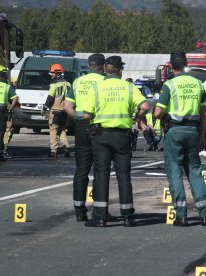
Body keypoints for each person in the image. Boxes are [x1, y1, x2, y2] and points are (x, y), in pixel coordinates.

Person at [82, 56, 150, 227]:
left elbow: (86, 115)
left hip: (101, 136)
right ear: (120, 71)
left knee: (101, 175)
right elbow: (145, 106)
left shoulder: (97, 88)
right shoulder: (128, 87)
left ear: (105, 69)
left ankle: (100, 216)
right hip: (122, 136)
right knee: (124, 175)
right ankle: (128, 216)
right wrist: (137, 117)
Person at [154, 50, 206, 227]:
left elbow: (157, 113)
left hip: (175, 132)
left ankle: (181, 215)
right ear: (186, 64)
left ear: (171, 66)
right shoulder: (197, 83)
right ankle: (205, 214)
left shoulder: (169, 85)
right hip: (193, 131)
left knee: (175, 172)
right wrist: (202, 135)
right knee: (194, 171)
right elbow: (203, 112)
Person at [64, 53, 117, 222]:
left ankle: (79, 210)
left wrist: (78, 118)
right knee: (101, 170)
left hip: (81, 127)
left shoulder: (78, 81)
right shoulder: (105, 81)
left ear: (88, 65)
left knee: (81, 170)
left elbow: (67, 106)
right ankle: (100, 210)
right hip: (99, 127)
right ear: (103, 67)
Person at [43, 63, 71, 158]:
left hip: (55, 110)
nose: (51, 75)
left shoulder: (54, 84)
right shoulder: (68, 83)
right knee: (62, 130)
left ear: (56, 73)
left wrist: (45, 106)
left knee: (53, 130)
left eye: (52, 73)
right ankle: (66, 146)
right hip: (65, 111)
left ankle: (53, 151)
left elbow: (50, 96)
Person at [0, 65, 18, 161]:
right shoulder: (6, 86)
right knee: (0, 133)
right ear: (2, 75)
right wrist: (11, 108)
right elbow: (15, 98)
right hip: (1, 111)